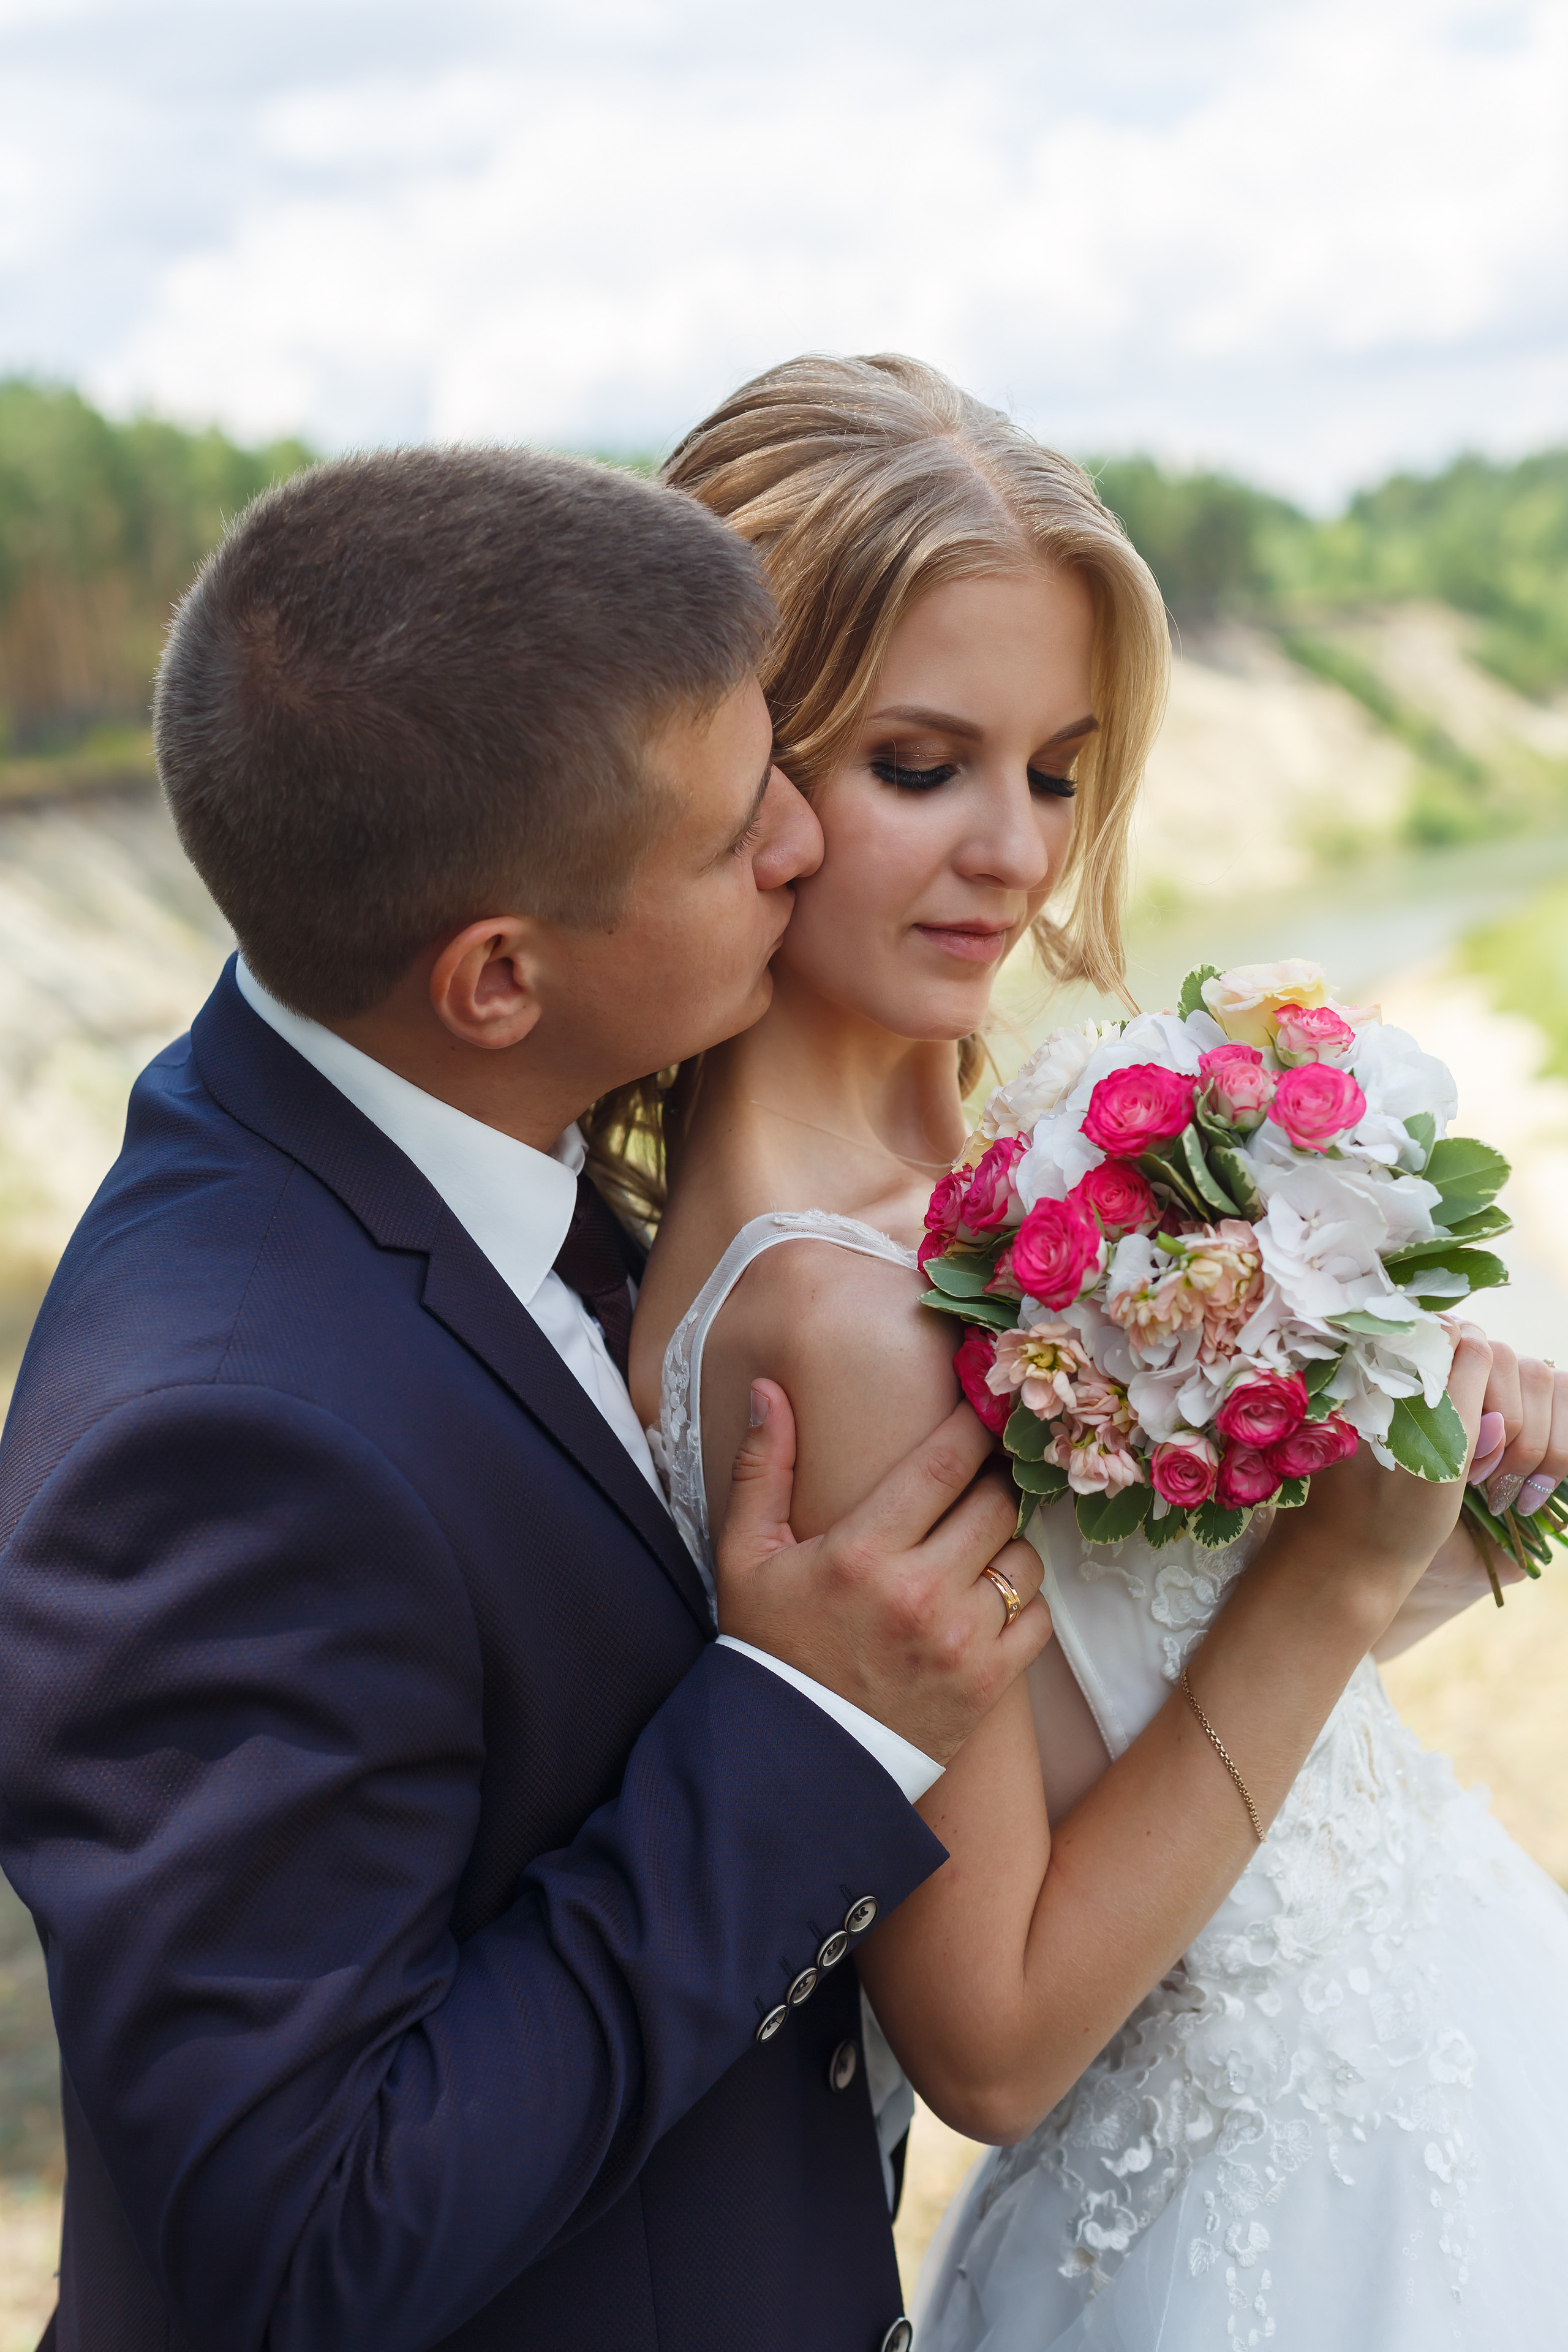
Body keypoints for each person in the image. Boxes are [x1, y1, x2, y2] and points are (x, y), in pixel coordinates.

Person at [0, 446, 1057, 2352]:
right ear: (497, 978)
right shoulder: (219, 1438)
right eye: (736, 835)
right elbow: (304, 2247)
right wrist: (803, 1731)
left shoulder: (444, 1135)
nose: (803, 845)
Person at [625, 353, 1568, 2348]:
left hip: (1447, 2077)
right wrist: (1330, 1575)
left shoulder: (981, 1199)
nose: (1015, 850)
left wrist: (1439, 1506)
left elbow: (1133, 1718)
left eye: (1055, 772)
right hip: (1265, 2220)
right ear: (731, 767)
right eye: (920, 767)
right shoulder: (836, 1313)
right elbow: (997, 2028)